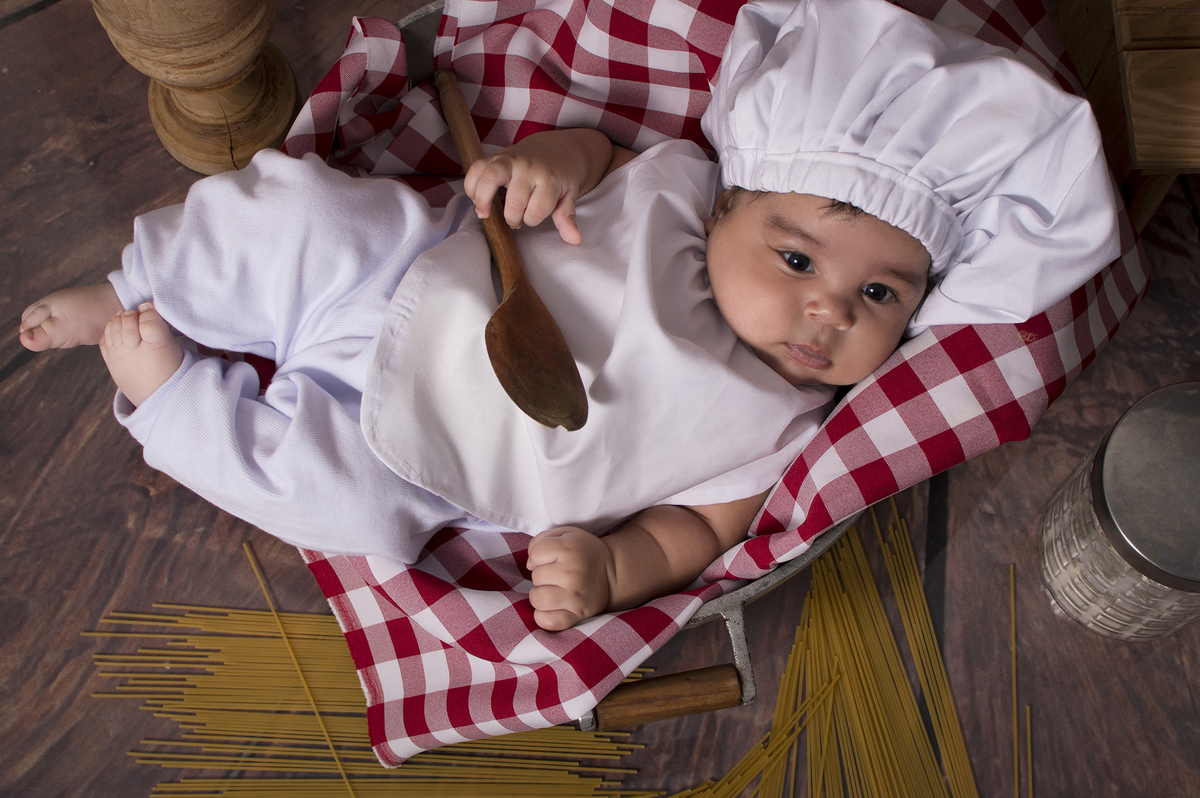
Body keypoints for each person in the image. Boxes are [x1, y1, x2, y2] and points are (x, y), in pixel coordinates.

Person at [18, 0, 1120, 632]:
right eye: (796, 256)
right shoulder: (683, 187)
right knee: (313, 215)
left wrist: (611, 573)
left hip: (439, 470)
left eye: (882, 296)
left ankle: (173, 398)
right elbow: (593, 156)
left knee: (339, 508)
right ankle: (138, 280)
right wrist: (543, 169)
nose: (828, 305)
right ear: (736, 201)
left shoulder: (779, 430)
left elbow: (693, 532)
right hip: (413, 278)